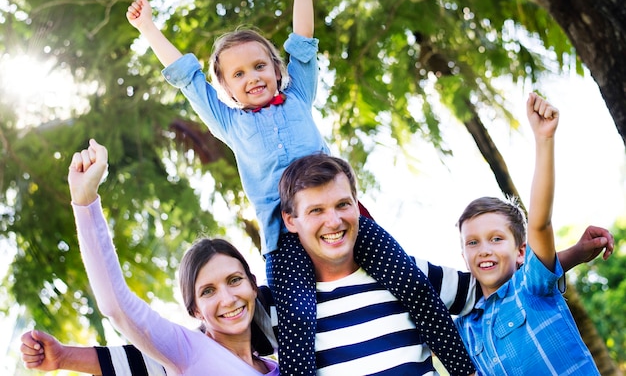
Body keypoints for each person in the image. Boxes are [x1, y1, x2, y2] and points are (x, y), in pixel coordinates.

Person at [125, 0, 475, 375]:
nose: (252, 77)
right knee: (296, 327)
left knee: (411, 283)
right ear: (226, 89)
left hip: (344, 219)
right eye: (238, 74)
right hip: (285, 240)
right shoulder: (228, 124)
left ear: (276, 69)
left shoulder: (299, 96)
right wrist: (147, 27)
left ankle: (465, 368)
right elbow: (187, 77)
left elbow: (304, 41)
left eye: (259, 66)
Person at [21, 151, 613, 375]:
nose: (333, 221)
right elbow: (173, 353)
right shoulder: (282, 310)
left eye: (343, 205)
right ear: (293, 222)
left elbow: (501, 288)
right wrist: (68, 357)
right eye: (315, 211)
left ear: (359, 208)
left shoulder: (411, 277)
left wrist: (572, 255)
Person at [67, 138, 279, 374]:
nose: (228, 299)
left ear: (253, 285)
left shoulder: (279, 364)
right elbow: (118, 306)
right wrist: (85, 203)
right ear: (195, 310)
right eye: (208, 291)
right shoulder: (189, 352)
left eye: (234, 280)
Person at [454, 93, 609, 374]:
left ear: (521, 251)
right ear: (463, 255)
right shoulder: (465, 326)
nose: (484, 249)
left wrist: (544, 140)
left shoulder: (531, 287)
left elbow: (539, 224)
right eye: (473, 243)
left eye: (496, 238)